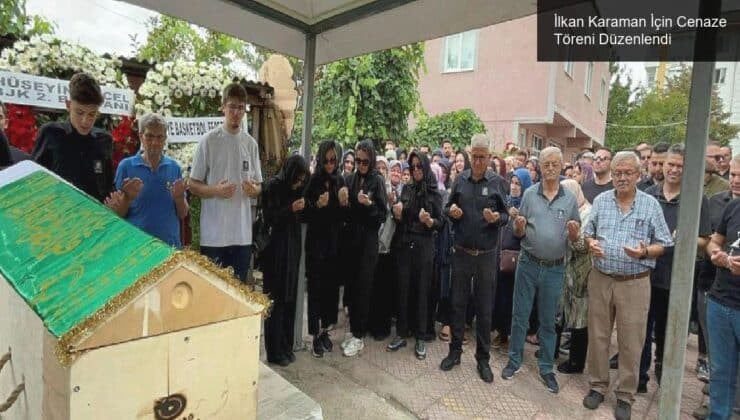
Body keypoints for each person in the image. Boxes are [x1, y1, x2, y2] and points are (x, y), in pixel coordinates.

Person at [582, 151, 672, 420]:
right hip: (601, 277)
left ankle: (625, 395)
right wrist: (591, 245)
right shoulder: (600, 201)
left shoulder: (650, 205)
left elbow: (664, 243)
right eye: (618, 173)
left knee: (631, 340)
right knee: (598, 336)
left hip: (634, 282)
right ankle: (597, 386)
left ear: (638, 175)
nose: (622, 177)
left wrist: (645, 252)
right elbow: (589, 234)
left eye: (627, 173)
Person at [501, 147, 580, 394]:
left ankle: (546, 368)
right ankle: (514, 360)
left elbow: (575, 236)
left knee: (548, 321)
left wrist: (576, 234)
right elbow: (518, 232)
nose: (550, 168)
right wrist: (519, 226)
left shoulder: (569, 198)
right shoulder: (529, 194)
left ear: (561, 165)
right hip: (528, 263)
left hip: (555, 269)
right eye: (546, 164)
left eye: (555, 164)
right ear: (541, 166)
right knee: (520, 315)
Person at [637, 143, 711, 392]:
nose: (674, 170)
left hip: (676, 279)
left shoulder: (696, 199)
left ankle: (664, 378)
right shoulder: (647, 194)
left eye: (680, 166)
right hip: (647, 272)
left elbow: (705, 240)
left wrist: (686, 236)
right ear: (663, 164)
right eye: (671, 164)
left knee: (669, 334)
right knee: (642, 330)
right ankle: (640, 378)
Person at [440, 134, 508, 383]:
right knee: (457, 304)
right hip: (462, 253)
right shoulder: (460, 180)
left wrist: (496, 219)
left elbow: (506, 215)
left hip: (486, 257)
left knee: (484, 309)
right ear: (469, 155)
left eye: (482, 157)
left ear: (488, 158)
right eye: (474, 157)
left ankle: (483, 359)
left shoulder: (497, 182)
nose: (477, 162)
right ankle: (455, 352)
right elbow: (447, 208)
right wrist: (452, 212)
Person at [189, 83, 262, 283]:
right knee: (212, 296)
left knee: (237, 294)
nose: (236, 112)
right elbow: (193, 184)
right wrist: (215, 190)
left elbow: (259, 186)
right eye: (232, 106)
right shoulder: (209, 141)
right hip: (214, 235)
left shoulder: (250, 144)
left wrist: (254, 189)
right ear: (223, 107)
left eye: (241, 107)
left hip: (241, 235)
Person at [388, 151, 442, 359]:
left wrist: (430, 222)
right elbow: (402, 217)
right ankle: (402, 332)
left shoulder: (434, 193)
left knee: (421, 290)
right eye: (413, 167)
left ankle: (420, 335)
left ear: (426, 167)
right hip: (405, 245)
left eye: (420, 166)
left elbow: (441, 222)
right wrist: (398, 213)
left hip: (424, 246)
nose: (416, 170)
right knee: (403, 288)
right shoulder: (407, 189)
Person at [106, 113, 188, 247]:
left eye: (159, 137)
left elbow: (183, 213)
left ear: (165, 139)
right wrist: (127, 198)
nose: (155, 142)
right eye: (149, 136)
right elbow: (117, 215)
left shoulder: (174, 167)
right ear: (141, 137)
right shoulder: (126, 166)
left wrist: (179, 198)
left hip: (169, 248)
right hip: (137, 248)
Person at [32, 72, 113, 202]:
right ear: (68, 105)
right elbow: (33, 180)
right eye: (79, 112)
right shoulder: (50, 133)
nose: (85, 121)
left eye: (92, 114)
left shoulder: (104, 140)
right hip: (57, 215)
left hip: (93, 217)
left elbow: (108, 187)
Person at [341, 140, 388, 357]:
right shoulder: (350, 179)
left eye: (364, 161)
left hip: (368, 242)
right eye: (357, 161)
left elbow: (381, 215)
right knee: (351, 286)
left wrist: (368, 205)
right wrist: (347, 203)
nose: (360, 165)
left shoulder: (376, 180)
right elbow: (347, 211)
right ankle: (354, 332)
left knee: (363, 287)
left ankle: (359, 336)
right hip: (351, 241)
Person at [261, 155, 309, 366]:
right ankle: (274, 351)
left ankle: (286, 346)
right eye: (297, 179)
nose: (299, 183)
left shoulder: (297, 189)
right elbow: (270, 217)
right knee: (276, 302)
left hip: (292, 250)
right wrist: (291, 209)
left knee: (290, 299)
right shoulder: (273, 186)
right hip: (275, 251)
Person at [702, 154, 740, 419]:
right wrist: (718, 255)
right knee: (721, 371)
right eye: (733, 175)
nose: (735, 181)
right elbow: (714, 241)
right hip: (720, 301)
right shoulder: (733, 207)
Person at [304, 140, 349, 358]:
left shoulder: (340, 180)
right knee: (316, 289)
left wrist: (343, 204)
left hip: (335, 244)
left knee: (331, 290)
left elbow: (343, 217)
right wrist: (318, 205)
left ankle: (325, 330)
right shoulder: (313, 181)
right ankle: (314, 334)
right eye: (327, 160)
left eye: (334, 160)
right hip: (316, 244)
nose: (330, 164)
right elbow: (304, 214)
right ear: (321, 159)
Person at [492, 168, 533, 351]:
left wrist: (519, 220)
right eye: (513, 183)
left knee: (513, 300)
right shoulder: (505, 202)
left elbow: (529, 234)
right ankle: (499, 331)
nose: (514, 187)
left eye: (519, 184)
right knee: (498, 296)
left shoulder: (528, 206)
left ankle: (509, 336)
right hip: (499, 257)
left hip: (517, 261)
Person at [556, 179, 592, 375]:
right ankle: (552, 350)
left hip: (580, 275)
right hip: (564, 270)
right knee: (559, 312)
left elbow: (583, 243)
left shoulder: (588, 213)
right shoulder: (569, 210)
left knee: (579, 319)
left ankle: (576, 362)